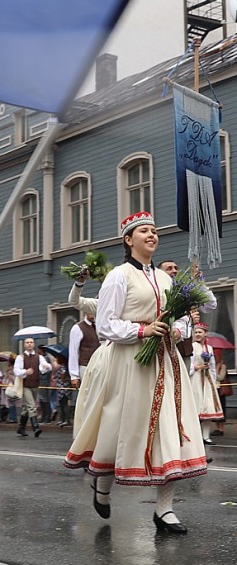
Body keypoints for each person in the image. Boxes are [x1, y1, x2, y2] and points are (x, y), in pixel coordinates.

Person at [65, 212, 208, 534]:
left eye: (155, 231)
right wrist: (143, 331)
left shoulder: (167, 278)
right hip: (130, 361)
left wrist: (177, 330)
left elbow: (183, 318)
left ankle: (165, 510)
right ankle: (102, 486)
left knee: (170, 428)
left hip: (166, 362)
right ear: (129, 240)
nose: (152, 235)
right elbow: (106, 324)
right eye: (144, 231)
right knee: (119, 426)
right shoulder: (119, 276)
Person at [190, 324, 223, 450]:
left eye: (200, 332)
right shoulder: (193, 346)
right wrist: (196, 367)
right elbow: (189, 364)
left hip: (207, 380)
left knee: (208, 408)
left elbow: (213, 366)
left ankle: (206, 436)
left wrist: (213, 382)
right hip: (196, 379)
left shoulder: (209, 348)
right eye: (196, 332)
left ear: (205, 334)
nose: (197, 334)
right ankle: (195, 437)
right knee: (196, 407)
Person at [13, 337, 49, 437]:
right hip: (25, 385)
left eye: (31, 342)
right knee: (32, 406)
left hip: (35, 384)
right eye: (27, 342)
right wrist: (25, 371)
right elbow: (16, 371)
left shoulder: (39, 357)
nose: (29, 344)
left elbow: (44, 367)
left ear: (34, 344)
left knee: (27, 407)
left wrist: (46, 367)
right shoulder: (20, 357)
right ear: (24, 344)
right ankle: (36, 427)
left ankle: (21, 427)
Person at [41, 345, 71, 427]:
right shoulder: (63, 366)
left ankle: (66, 420)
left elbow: (63, 376)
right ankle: (63, 419)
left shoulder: (64, 366)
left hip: (63, 387)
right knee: (61, 403)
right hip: (61, 386)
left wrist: (60, 376)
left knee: (64, 403)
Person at [68, 313, 100, 389]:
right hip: (86, 366)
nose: (93, 314)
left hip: (101, 366)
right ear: (85, 311)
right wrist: (74, 375)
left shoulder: (101, 326)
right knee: (87, 395)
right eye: (90, 310)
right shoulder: (78, 328)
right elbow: (73, 352)